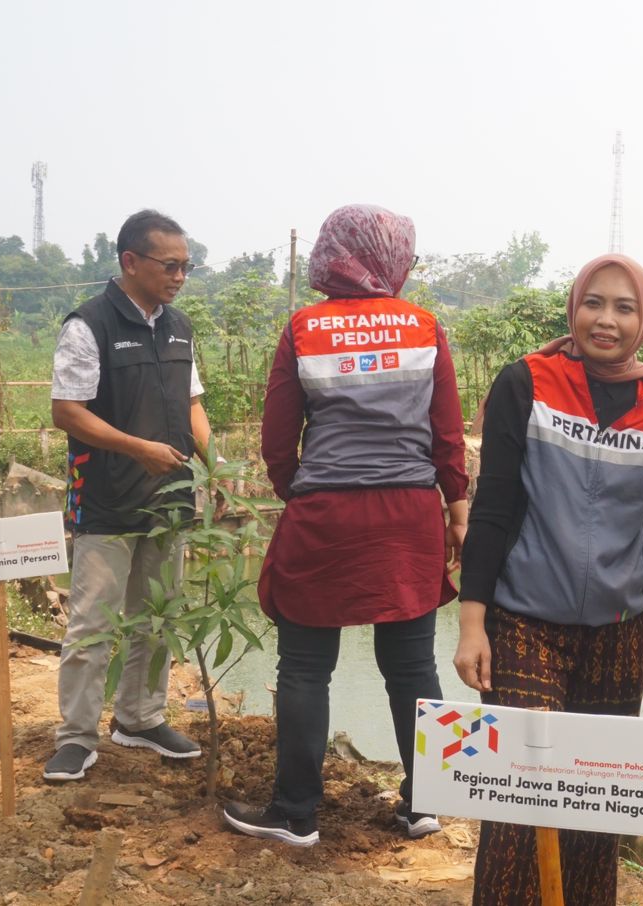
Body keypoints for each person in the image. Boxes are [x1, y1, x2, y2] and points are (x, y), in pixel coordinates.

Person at [222, 204, 468, 847]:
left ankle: (296, 813)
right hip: (409, 514)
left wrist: (299, 491)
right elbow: (447, 434)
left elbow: (279, 436)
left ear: (333, 254)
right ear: (391, 259)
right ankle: (425, 803)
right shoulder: (424, 327)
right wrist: (456, 503)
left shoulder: (304, 328)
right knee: (413, 662)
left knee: (305, 665)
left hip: (326, 512)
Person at [453, 253, 643, 906]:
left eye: (624, 307)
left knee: (595, 810)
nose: (605, 320)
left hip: (619, 633)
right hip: (523, 621)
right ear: (573, 307)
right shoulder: (526, 382)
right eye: (594, 303)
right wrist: (473, 623)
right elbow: (494, 505)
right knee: (519, 801)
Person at [43, 210, 216, 783]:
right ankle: (76, 736)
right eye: (171, 265)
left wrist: (208, 466)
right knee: (92, 623)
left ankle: (140, 718)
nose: (180, 276)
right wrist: (138, 447)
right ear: (130, 262)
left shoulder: (179, 327)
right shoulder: (89, 325)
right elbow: (67, 411)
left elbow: (192, 404)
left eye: (187, 266)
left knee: (157, 618)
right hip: (108, 501)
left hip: (169, 498)